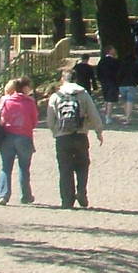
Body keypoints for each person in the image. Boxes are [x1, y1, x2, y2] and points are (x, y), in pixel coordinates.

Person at [47, 69, 105, 208]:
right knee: (82, 166)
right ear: (76, 79)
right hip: (80, 135)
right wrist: (98, 131)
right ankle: (81, 192)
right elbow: (93, 114)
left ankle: (67, 200)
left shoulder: (56, 96)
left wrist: (56, 132)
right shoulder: (83, 94)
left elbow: (50, 120)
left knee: (65, 168)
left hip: (63, 137)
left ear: (63, 79)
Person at [0, 76, 39, 205]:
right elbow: (34, 121)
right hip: (24, 137)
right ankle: (26, 195)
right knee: (24, 167)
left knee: (5, 167)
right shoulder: (30, 102)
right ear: (24, 88)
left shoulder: (7, 101)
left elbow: (3, 119)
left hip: (7, 137)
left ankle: (3, 195)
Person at [96, 45, 123, 124]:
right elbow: (119, 72)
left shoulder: (102, 61)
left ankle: (106, 114)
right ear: (110, 51)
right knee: (110, 99)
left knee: (106, 99)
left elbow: (98, 72)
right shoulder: (115, 61)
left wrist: (100, 80)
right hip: (113, 81)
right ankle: (108, 116)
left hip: (104, 82)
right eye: (113, 49)